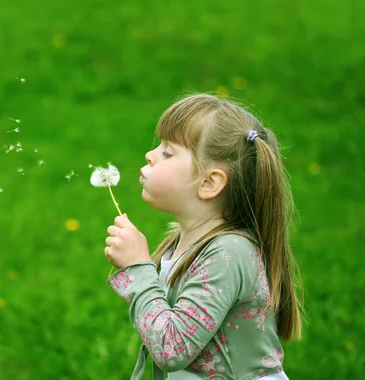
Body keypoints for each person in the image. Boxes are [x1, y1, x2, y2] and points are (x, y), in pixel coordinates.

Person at [104, 93, 304, 379]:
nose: (150, 155)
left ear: (209, 183)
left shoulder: (229, 254)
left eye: (168, 152)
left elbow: (171, 348)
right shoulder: (184, 243)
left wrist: (139, 268)